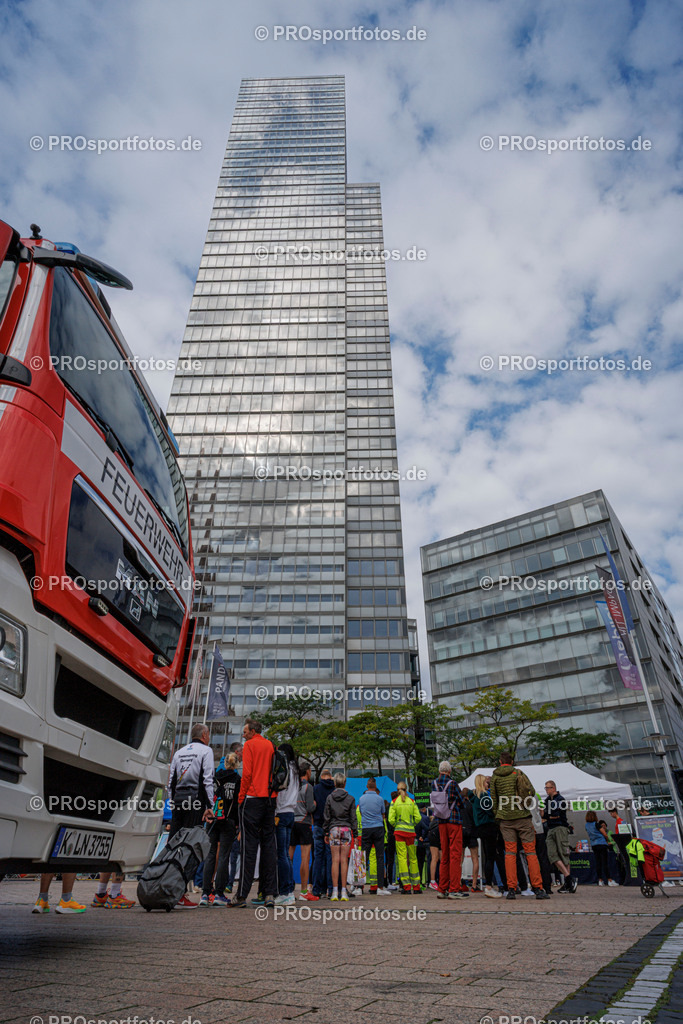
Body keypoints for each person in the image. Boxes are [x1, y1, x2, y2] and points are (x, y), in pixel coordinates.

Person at [230, 719, 277, 909]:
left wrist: (241, 798)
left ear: (253, 731)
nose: (243, 734)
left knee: (248, 848)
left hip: (252, 798)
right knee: (269, 847)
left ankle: (241, 895)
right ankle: (269, 894)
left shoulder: (250, 745)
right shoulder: (270, 745)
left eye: (245, 731)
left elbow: (247, 774)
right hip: (270, 798)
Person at [167, 723, 215, 908]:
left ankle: (169, 887)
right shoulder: (206, 751)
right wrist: (209, 805)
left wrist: (173, 804)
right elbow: (207, 779)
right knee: (191, 847)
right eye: (209, 734)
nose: (209, 737)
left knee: (174, 846)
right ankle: (180, 893)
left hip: (179, 803)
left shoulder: (179, 752)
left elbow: (171, 780)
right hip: (195, 803)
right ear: (204, 735)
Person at [490, 751, 549, 901]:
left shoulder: (495, 776)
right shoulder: (518, 773)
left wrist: (499, 814)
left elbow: (494, 799)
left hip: (505, 819)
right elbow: (532, 791)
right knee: (530, 852)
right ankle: (538, 888)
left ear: (500, 761)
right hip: (523, 817)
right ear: (512, 761)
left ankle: (511, 889)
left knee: (510, 854)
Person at [200, 752, 241, 907]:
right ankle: (219, 893)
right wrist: (237, 824)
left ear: (224, 763)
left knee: (210, 856)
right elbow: (238, 803)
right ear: (236, 765)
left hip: (212, 819)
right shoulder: (237, 780)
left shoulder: (215, 778)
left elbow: (208, 796)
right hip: (228, 820)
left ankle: (205, 893)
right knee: (224, 856)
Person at [431, 760, 467, 899]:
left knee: (444, 855)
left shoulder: (433, 784)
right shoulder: (452, 784)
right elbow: (460, 801)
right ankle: (454, 889)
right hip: (454, 820)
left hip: (441, 821)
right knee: (455, 855)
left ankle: (442, 888)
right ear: (449, 771)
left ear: (440, 770)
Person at [323, 772, 357, 901]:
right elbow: (353, 818)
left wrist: (326, 832)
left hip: (334, 830)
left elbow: (327, 816)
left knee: (334, 860)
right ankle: (344, 891)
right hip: (346, 830)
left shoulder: (330, 797)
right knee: (344, 860)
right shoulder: (351, 798)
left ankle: (334, 891)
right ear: (345, 783)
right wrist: (355, 832)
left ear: (335, 783)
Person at [274, 743, 299, 906]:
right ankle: (289, 889)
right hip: (292, 813)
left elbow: (280, 791)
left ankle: (285, 892)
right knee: (286, 854)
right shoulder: (296, 770)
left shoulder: (284, 768)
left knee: (281, 854)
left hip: (281, 812)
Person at [471, 774, 504, 899]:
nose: (487, 784)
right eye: (486, 782)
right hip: (489, 827)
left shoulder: (476, 796)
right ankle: (489, 886)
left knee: (489, 857)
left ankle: (490, 885)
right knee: (491, 857)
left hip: (481, 828)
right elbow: (492, 811)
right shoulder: (485, 796)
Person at [542, 780, 577, 894]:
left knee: (563, 854)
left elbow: (555, 815)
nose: (546, 790)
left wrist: (549, 816)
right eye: (545, 788)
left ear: (553, 788)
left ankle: (568, 883)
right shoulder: (547, 800)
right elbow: (547, 815)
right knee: (552, 854)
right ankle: (569, 879)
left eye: (547, 788)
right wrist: (548, 816)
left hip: (560, 827)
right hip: (551, 828)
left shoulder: (560, 799)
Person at [388, 781, 422, 893]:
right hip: (411, 833)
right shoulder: (412, 802)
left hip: (399, 834)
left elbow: (390, 819)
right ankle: (416, 886)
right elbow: (418, 818)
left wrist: (397, 825)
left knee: (402, 859)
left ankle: (406, 886)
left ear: (398, 790)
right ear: (406, 789)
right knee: (413, 858)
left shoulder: (394, 802)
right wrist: (411, 824)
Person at [358, 777, 390, 895]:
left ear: (367, 786)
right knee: (380, 857)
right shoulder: (380, 799)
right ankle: (380, 888)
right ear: (375, 787)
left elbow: (361, 813)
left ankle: (359, 887)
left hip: (366, 828)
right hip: (378, 828)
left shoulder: (361, 799)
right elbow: (383, 814)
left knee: (363, 858)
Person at [291, 761, 316, 899]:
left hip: (292, 822)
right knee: (305, 858)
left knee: (288, 857)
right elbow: (310, 808)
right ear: (307, 772)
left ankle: (287, 889)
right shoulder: (308, 787)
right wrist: (315, 805)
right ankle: (304, 891)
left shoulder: (292, 785)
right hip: (304, 823)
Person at [312, 768, 335, 899]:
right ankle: (330, 888)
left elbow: (312, 806)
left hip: (318, 825)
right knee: (330, 858)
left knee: (317, 858)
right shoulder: (334, 790)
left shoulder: (315, 789)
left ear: (321, 777)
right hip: (331, 827)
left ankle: (316, 889)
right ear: (331, 777)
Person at [585, 811, 616, 886]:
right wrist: (607, 839)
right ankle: (609, 880)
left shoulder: (586, 825)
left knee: (598, 862)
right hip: (601, 844)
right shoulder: (597, 824)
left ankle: (600, 880)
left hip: (594, 845)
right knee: (604, 862)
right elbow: (604, 833)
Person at [460, 788, 480, 892]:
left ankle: (458, 882)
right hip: (472, 833)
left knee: (460, 859)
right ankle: (474, 885)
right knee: (475, 859)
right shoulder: (472, 805)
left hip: (462, 833)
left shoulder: (459, 806)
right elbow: (475, 819)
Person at [415, 806, 431, 887]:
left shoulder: (410, 820)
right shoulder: (420, 820)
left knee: (411, 861)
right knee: (420, 862)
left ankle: (412, 881)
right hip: (420, 842)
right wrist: (422, 837)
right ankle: (420, 880)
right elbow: (427, 828)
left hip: (411, 842)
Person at [385, 795, 398, 889]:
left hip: (389, 836)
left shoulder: (388, 807)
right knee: (402, 858)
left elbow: (388, 820)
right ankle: (401, 882)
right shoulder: (399, 805)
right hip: (400, 834)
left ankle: (390, 880)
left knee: (390, 860)